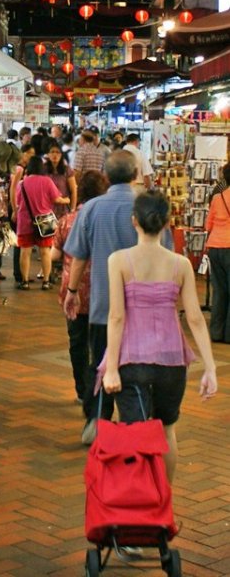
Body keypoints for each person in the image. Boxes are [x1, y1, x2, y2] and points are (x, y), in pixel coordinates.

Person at [102, 190, 217, 482]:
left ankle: (139, 504)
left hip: (132, 360)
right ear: (167, 222)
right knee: (167, 429)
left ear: (134, 222)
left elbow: (116, 317)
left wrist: (112, 368)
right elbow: (195, 319)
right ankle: (162, 500)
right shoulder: (180, 264)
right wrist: (210, 368)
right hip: (171, 361)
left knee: (135, 435)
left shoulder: (119, 260)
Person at [63, 149, 173, 444]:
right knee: (141, 368)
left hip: (103, 306)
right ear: (137, 173)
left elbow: (79, 257)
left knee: (100, 364)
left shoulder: (92, 209)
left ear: (107, 176)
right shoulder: (150, 206)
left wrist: (72, 292)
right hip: (147, 311)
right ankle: (137, 426)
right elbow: (169, 256)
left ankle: (97, 420)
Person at [52, 171, 108, 402]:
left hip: (73, 291)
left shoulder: (68, 220)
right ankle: (98, 390)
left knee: (77, 342)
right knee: (101, 343)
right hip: (102, 289)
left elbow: (55, 255)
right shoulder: (107, 219)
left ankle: (82, 390)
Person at [16, 155, 69, 290]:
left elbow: (18, 202)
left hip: (25, 222)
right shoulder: (47, 181)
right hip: (44, 222)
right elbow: (57, 199)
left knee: (25, 252)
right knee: (45, 251)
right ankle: (46, 281)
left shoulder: (22, 183)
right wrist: (67, 201)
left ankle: (25, 281)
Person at [205, 162, 230, 343]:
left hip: (214, 246)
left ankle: (216, 333)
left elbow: (209, 224)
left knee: (219, 291)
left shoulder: (217, 197)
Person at [10, 142, 36, 284]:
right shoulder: (19, 169)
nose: (31, 156)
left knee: (20, 242)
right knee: (19, 242)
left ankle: (21, 273)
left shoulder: (20, 168)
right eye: (29, 153)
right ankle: (19, 274)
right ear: (23, 153)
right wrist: (15, 209)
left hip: (18, 208)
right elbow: (13, 190)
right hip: (18, 208)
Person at [45, 141, 77, 218]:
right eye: (52, 152)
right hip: (47, 209)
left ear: (61, 155)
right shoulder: (43, 169)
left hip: (63, 209)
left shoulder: (67, 170)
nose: (55, 154)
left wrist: (72, 209)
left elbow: (73, 191)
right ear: (48, 155)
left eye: (57, 152)